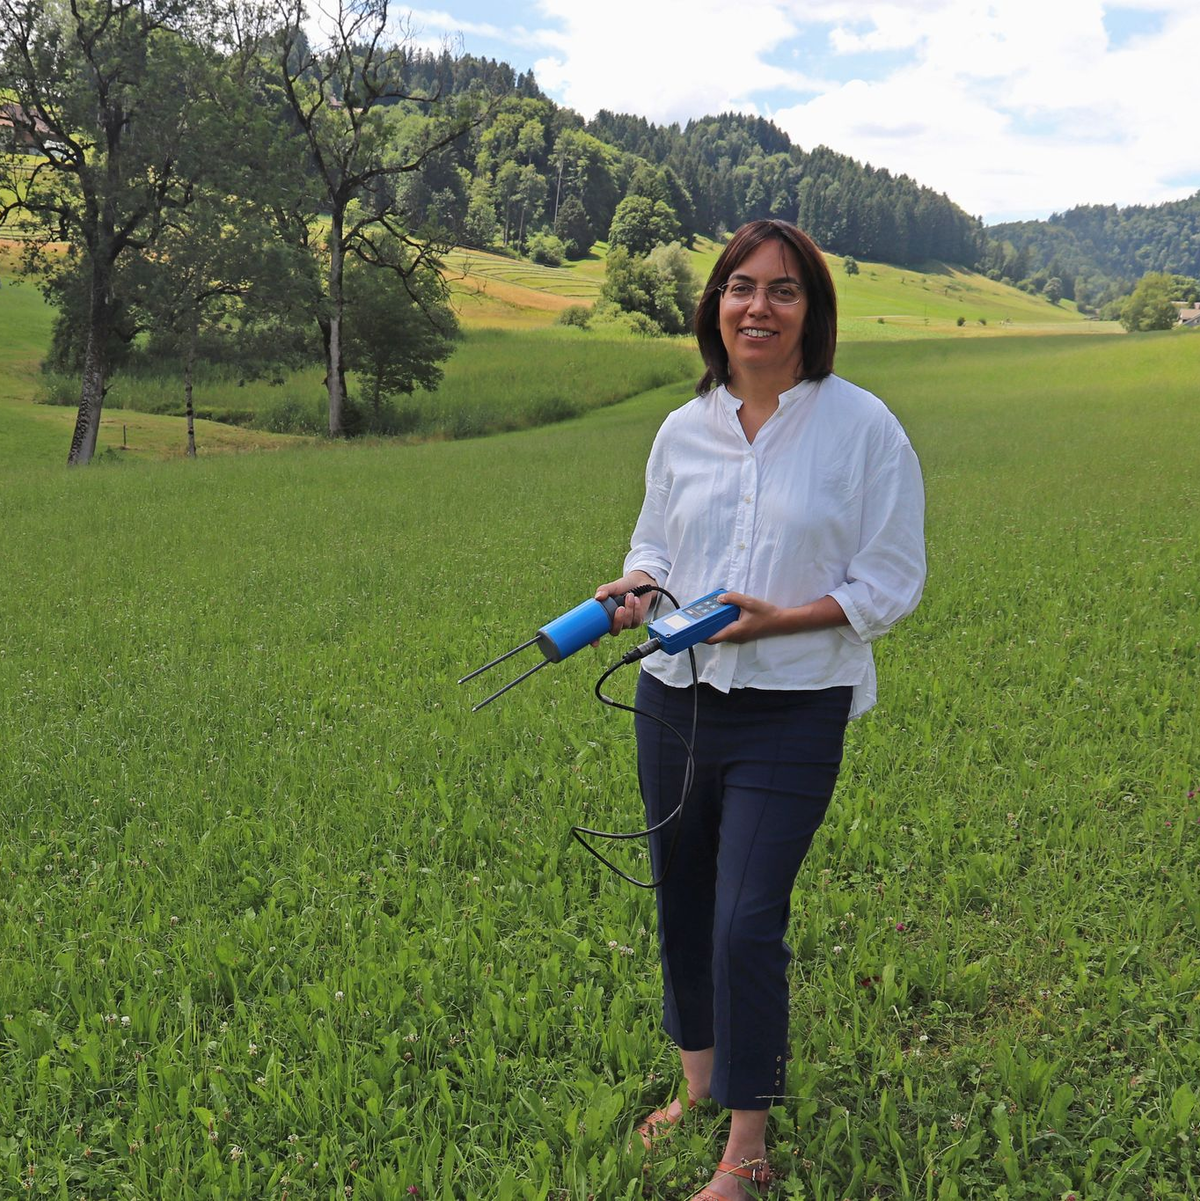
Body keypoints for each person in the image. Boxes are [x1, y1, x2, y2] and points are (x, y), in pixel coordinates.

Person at [594, 219, 926, 1200]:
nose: (759, 307)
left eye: (784, 290)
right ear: (716, 305)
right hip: (675, 700)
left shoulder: (864, 428)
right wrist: (639, 586)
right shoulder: (683, 428)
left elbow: (891, 580)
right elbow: (656, 543)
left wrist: (782, 619)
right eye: (742, 286)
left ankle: (747, 1146)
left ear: (812, 311)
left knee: (744, 920)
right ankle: (697, 1082)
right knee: (683, 897)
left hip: (794, 705)